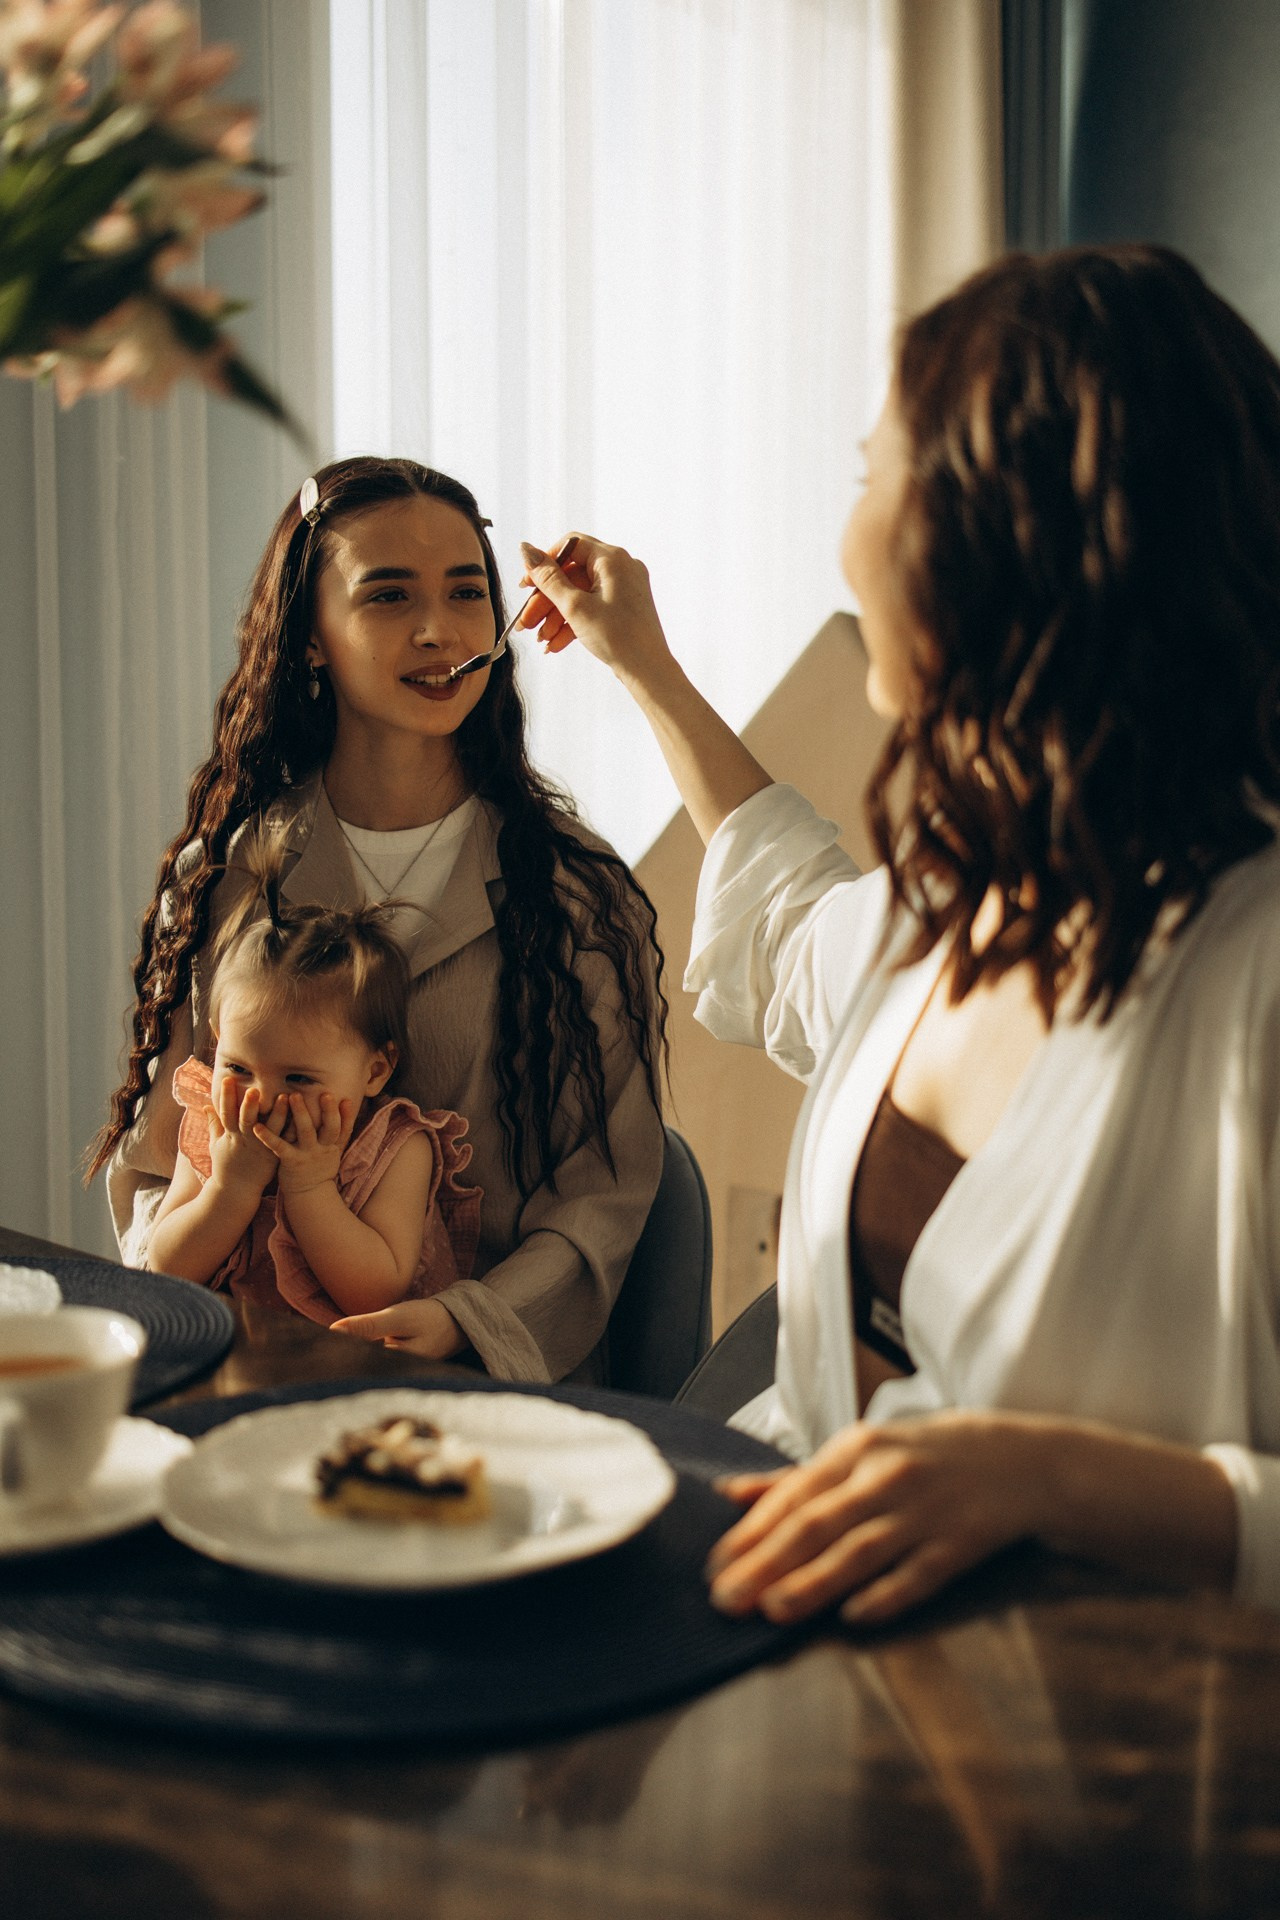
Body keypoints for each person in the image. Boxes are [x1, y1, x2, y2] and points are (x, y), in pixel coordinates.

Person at [513, 244, 1280, 1621]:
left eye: (872, 475)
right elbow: (793, 908)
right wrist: (646, 668)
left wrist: (1047, 1482)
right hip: (801, 1677)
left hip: (1129, 1775)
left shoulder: (1258, 985)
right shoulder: (953, 904)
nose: (850, 534)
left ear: (1005, 539)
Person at [89, 458, 667, 1385]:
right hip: (248, 1366)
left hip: (484, 1382)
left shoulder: (574, 894)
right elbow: (158, 1170)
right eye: (388, 595)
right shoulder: (225, 879)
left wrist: (463, 1321)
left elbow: (607, 1196)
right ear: (311, 636)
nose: (438, 630)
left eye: (466, 593)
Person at [147, 834, 481, 1323]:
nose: (259, 1097)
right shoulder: (214, 1124)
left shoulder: (395, 1148)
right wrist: (229, 1189)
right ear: (217, 1042)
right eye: (238, 1067)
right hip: (235, 1354)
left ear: (375, 1071)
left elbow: (375, 1295)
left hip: (353, 1366)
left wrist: (310, 1189)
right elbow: (165, 1269)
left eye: (299, 1078)